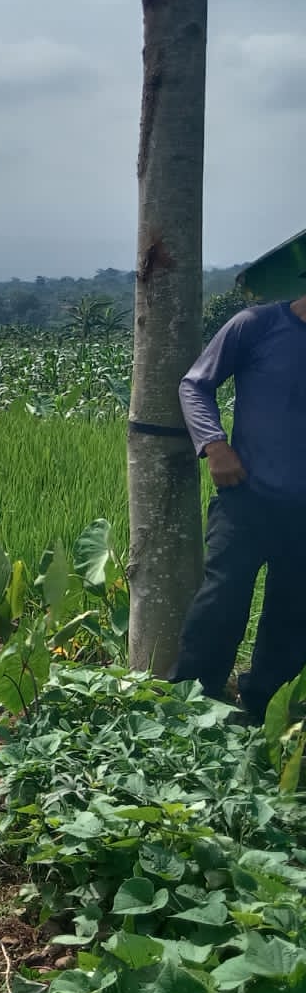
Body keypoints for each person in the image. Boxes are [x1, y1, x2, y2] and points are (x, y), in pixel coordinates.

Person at [171, 292, 306, 718]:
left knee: (293, 612)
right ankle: (193, 700)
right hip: (247, 496)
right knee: (222, 600)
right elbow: (195, 384)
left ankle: (264, 711)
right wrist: (214, 445)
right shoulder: (259, 325)